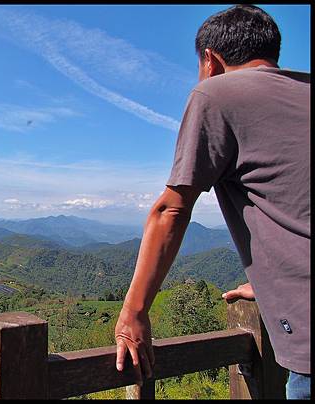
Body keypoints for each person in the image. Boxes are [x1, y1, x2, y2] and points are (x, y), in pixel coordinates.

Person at [113, 4, 310, 399]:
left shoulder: (215, 93)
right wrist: (275, 280)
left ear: (210, 59)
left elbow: (171, 209)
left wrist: (133, 313)